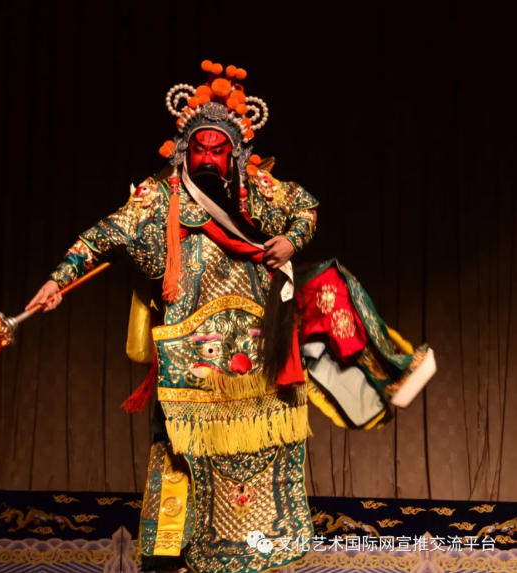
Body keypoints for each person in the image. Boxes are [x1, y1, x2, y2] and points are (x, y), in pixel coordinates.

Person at [26, 60, 436, 573]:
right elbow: (100, 237)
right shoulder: (159, 197)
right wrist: (57, 280)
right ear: (184, 149)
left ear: (233, 153)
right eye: (199, 148)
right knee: (179, 451)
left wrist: (291, 240)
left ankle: (385, 376)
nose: (207, 157)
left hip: (258, 342)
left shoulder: (258, 187)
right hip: (192, 349)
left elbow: (306, 207)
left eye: (217, 150)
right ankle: (171, 554)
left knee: (323, 304)